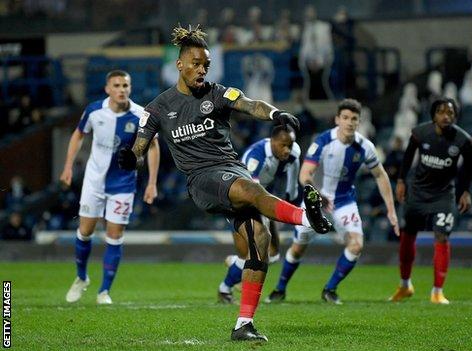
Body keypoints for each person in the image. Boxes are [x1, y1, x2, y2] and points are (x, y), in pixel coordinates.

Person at [117, 25, 332, 342]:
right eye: (195, 63)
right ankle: (305, 217)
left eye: (205, 64)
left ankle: (243, 324)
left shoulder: (218, 94)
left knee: (259, 239)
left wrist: (277, 115)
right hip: (202, 179)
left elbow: (251, 103)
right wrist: (129, 159)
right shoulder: (158, 108)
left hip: (233, 170)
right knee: (251, 190)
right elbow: (138, 150)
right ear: (180, 64)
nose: (201, 70)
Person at [265, 98, 399, 305]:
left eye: (354, 119)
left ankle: (330, 289)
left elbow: (380, 176)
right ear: (337, 119)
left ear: (358, 121)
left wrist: (391, 210)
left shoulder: (365, 146)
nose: (350, 122)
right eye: (345, 118)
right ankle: (280, 289)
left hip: (344, 202)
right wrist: (318, 195)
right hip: (316, 201)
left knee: (356, 245)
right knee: (298, 248)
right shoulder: (322, 141)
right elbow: (305, 175)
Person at [60, 70, 161, 305]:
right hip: (94, 181)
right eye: (116, 85)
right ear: (108, 89)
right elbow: (78, 135)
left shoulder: (140, 115)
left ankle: (104, 291)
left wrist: (152, 183)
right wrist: (67, 167)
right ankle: (81, 277)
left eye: (125, 85)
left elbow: (154, 146)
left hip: (123, 183)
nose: (121, 89)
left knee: (114, 236)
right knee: (85, 232)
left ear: (130, 88)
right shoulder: (94, 111)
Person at [389, 98, 472, 304]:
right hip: (417, 193)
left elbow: (469, 168)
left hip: (443, 196)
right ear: (433, 115)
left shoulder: (463, 140)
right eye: (441, 112)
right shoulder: (420, 133)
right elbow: (408, 157)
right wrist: (401, 181)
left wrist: (465, 192)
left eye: (451, 113)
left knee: (442, 237)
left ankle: (437, 292)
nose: (446, 116)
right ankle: (404, 285)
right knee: (407, 237)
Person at [218, 124, 301, 304]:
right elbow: (251, 191)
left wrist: (289, 207)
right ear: (272, 141)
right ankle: (225, 289)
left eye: (290, 145)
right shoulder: (255, 157)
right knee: (256, 253)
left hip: (262, 199)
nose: (287, 150)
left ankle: (235, 265)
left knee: (272, 255)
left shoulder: (294, 153)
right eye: (283, 145)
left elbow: (292, 187)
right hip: (239, 202)